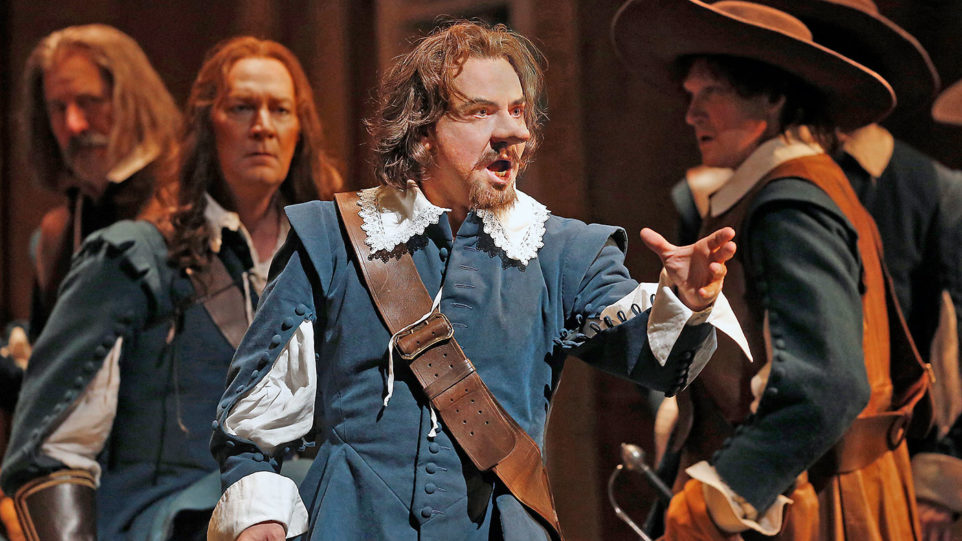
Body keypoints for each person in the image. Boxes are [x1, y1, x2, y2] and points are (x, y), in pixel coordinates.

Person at [206, 20, 744, 541]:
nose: (513, 131)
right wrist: (261, 518)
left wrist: (686, 301)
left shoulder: (561, 251)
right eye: (480, 112)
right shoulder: (331, 239)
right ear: (420, 134)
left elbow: (658, 358)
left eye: (517, 110)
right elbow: (252, 425)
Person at [0, 36, 342, 540]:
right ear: (208, 127)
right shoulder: (130, 261)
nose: (262, 126)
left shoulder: (333, 261)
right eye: (242, 107)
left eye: (280, 109)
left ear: (300, 130)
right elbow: (52, 455)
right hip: (171, 520)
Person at [612, 1, 930, 539]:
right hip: (797, 493)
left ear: (774, 96)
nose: (692, 114)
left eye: (712, 92)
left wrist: (723, 493)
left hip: (815, 502)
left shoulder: (789, 202)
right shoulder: (773, 190)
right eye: (691, 96)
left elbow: (827, 384)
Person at [20, 24, 182, 341]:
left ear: (131, 100)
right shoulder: (56, 234)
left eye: (88, 102)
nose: (74, 124)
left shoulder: (187, 204)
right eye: (58, 108)